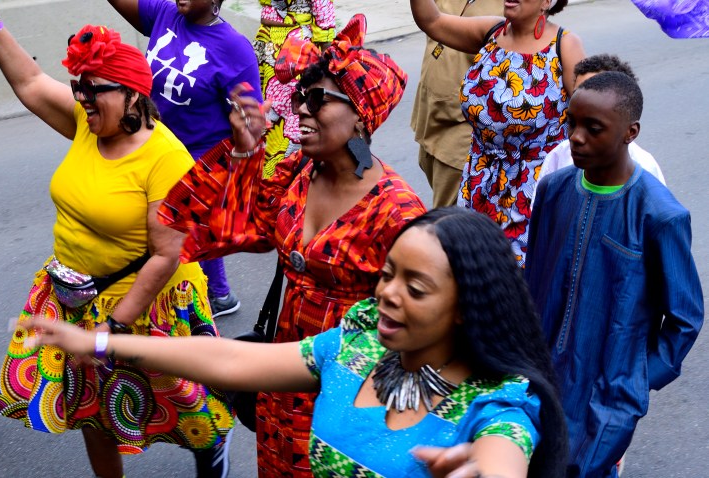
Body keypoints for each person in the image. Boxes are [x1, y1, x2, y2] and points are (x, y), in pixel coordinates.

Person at [23, 208, 569, 478]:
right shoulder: (361, 346)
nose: (388, 294)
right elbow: (233, 358)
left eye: (415, 287)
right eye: (387, 274)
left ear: (465, 307)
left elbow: (501, 461)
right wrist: (103, 344)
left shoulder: (498, 402)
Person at [0, 1, 233, 476]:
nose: (83, 99)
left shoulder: (166, 158)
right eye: (78, 88)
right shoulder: (89, 125)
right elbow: (28, 82)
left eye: (94, 90)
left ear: (131, 95)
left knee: (184, 409)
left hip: (144, 304)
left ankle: (210, 450)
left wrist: (117, 328)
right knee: (91, 409)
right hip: (72, 295)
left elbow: (166, 255)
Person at [160, 14, 426, 477]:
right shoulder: (301, 174)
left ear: (362, 116)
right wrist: (244, 153)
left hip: (348, 386)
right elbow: (241, 230)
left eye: (318, 99)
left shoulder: (399, 214)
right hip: (283, 376)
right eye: (301, 96)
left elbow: (424, 328)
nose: (300, 109)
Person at [525, 71, 704, 477]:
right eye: (571, 123)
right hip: (535, 380)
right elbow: (533, 280)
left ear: (630, 132)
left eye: (594, 128)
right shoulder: (553, 190)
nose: (576, 137)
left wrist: (633, 382)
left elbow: (684, 319)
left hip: (604, 399)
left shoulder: (659, 214)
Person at [106, 0, 264, 319]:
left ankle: (194, 302)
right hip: (158, 145)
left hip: (200, 158)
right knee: (178, 233)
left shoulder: (234, 48)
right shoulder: (165, 13)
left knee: (175, 233)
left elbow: (253, 122)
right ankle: (217, 294)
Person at [410, 0, 585, 265]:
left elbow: (592, 117)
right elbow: (432, 20)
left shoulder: (565, 45)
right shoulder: (492, 32)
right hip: (480, 185)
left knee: (520, 284)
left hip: (532, 195)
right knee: (476, 277)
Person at [409, 0, 503, 208]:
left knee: (446, 226)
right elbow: (430, 19)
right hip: (430, 119)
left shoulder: (512, 9)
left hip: (461, 134)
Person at [537, 54, 665, 187]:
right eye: (577, 93)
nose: (582, 101)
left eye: (594, 129)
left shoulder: (645, 169)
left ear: (630, 132)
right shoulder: (558, 160)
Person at [253, 0, 335, 177]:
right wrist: (327, 56)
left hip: (281, 46)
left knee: (280, 119)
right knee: (283, 119)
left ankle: (274, 180)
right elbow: (322, 9)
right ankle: (278, 182)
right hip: (287, 47)